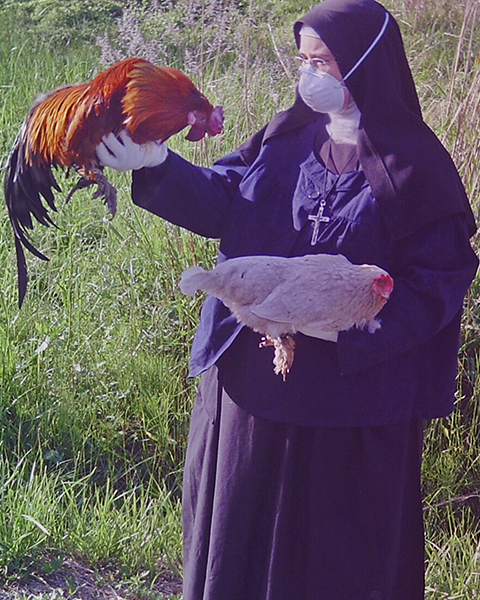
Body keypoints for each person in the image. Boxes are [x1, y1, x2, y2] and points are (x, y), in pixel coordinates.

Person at [96, 0, 478, 598]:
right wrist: (159, 165)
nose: (308, 75)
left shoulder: (420, 170)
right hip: (252, 391)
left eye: (322, 61)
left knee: (332, 564)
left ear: (365, 64)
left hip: (348, 412)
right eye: (303, 60)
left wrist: (347, 329)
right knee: (238, 553)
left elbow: (437, 286)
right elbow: (230, 201)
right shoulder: (286, 137)